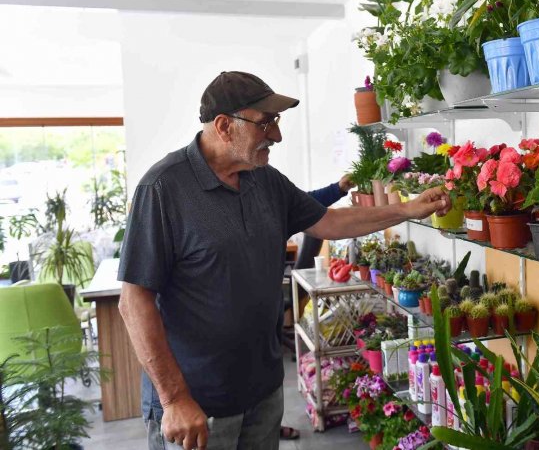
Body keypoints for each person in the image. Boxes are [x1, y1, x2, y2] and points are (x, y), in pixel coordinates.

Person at [117, 71, 450, 450]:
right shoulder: (162, 189)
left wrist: (407, 210)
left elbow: (330, 221)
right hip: (197, 406)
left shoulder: (265, 180)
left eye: (276, 122)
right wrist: (174, 399)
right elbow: (134, 301)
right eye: (266, 123)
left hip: (262, 392)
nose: (276, 135)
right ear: (225, 126)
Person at [279, 174, 353, 441]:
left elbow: (306, 203)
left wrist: (338, 188)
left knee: (265, 384)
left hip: (267, 308)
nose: (275, 137)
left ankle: (271, 424)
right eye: (266, 128)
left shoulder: (267, 185)